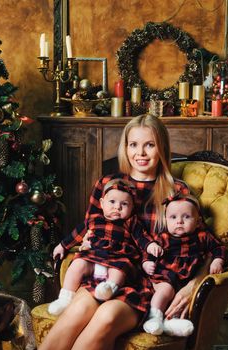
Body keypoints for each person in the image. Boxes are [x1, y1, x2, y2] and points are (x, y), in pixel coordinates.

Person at [39, 115, 195, 350]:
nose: (140, 153)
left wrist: (191, 285)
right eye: (134, 145)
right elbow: (90, 229)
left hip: (147, 285)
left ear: (162, 147)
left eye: (149, 145)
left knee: (106, 317)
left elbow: (200, 246)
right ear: (125, 148)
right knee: (77, 311)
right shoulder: (108, 184)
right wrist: (85, 247)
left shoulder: (177, 191)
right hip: (104, 272)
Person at [48, 178, 162, 315]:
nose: (117, 207)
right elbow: (77, 233)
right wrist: (62, 246)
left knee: (121, 270)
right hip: (94, 255)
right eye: (112, 202)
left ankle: (108, 289)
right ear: (102, 203)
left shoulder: (131, 222)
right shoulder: (94, 219)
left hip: (118, 258)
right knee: (77, 264)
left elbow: (141, 237)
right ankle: (65, 298)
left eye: (124, 204)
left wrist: (151, 245)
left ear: (132, 208)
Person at [142, 193, 226, 336]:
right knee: (165, 291)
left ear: (198, 221)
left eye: (186, 217)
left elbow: (219, 248)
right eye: (173, 217)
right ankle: (154, 318)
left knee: (183, 300)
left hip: (188, 279)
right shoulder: (163, 237)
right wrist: (147, 262)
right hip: (165, 275)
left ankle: (172, 322)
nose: (179, 221)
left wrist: (218, 260)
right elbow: (149, 252)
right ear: (166, 220)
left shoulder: (202, 236)